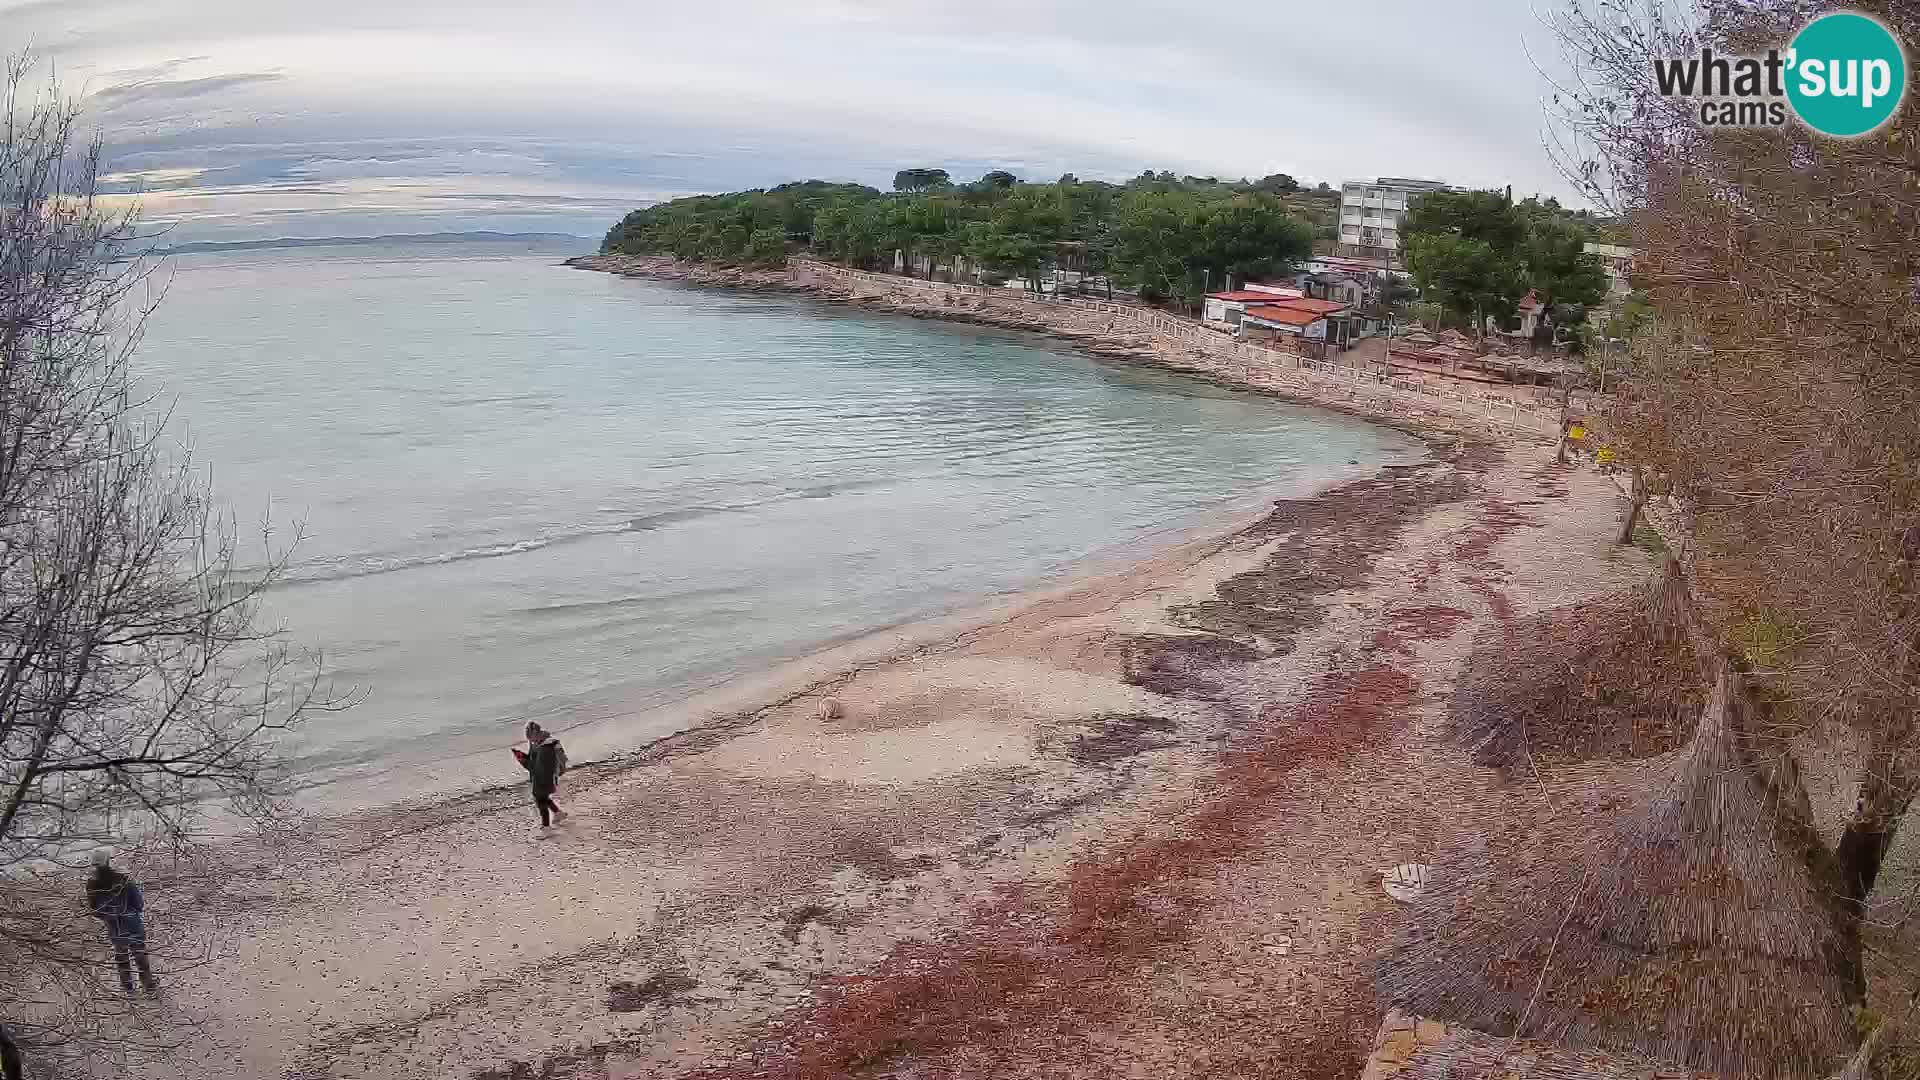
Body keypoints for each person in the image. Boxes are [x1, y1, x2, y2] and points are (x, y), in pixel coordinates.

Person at [85, 848, 158, 997]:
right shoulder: (124, 880)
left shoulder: (92, 885)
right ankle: (149, 987)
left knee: (122, 958)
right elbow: (139, 904)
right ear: (108, 861)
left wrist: (108, 915)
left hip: (115, 926)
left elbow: (95, 910)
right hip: (132, 923)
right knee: (140, 957)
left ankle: (128, 990)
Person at [512, 722, 569, 831]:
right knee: (543, 798)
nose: (530, 740)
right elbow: (533, 760)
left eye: (530, 737)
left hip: (544, 778)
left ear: (535, 734)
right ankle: (558, 813)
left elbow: (535, 767)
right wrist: (522, 756)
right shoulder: (539, 742)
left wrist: (522, 760)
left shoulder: (545, 748)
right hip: (544, 776)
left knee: (540, 801)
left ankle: (546, 827)